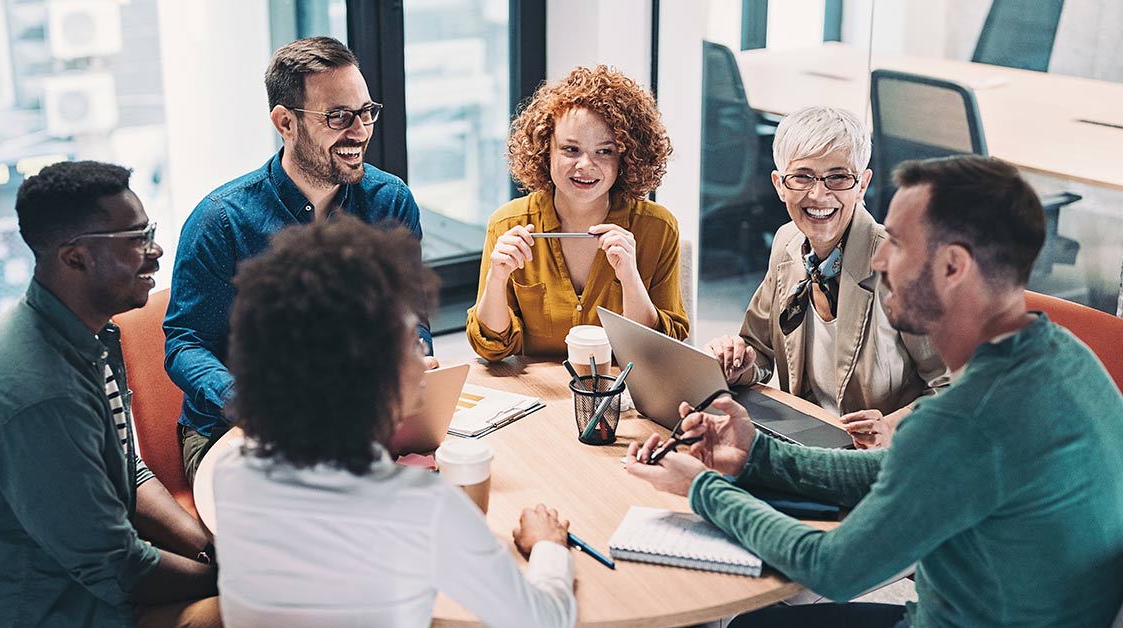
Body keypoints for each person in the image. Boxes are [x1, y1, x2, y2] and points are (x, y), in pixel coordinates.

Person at [627, 155, 1123, 627]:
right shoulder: (1065, 356)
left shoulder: (964, 419)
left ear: (953, 267)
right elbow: (902, 466)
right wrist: (756, 455)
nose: (879, 258)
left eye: (899, 243)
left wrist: (701, 487)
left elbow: (830, 568)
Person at [212, 215, 577, 627]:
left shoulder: (232, 471)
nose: (425, 358)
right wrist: (548, 547)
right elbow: (544, 620)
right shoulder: (421, 506)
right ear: (364, 368)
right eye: (409, 340)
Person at [0, 161, 221, 628]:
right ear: (75, 257)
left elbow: (126, 469)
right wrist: (231, 579)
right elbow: (119, 569)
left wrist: (207, 547)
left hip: (86, 584)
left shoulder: (82, 332)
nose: (157, 250)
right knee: (275, 609)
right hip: (46, 611)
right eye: (136, 239)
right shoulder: (38, 393)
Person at [164, 36, 435, 485]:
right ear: (285, 122)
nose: (361, 131)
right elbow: (184, 343)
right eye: (339, 117)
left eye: (366, 112)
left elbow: (412, 315)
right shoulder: (222, 221)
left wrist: (415, 354)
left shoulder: (390, 201)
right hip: (233, 430)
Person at [703, 106, 947, 449]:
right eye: (802, 176)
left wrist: (894, 428)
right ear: (779, 185)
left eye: (838, 177)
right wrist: (734, 362)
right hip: (804, 443)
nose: (819, 195)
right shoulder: (787, 243)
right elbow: (758, 351)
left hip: (880, 462)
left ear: (862, 184)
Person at [467, 65, 688, 361]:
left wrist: (629, 277)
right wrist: (497, 278)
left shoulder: (658, 228)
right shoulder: (508, 224)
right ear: (546, 150)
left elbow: (661, 351)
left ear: (626, 156)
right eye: (571, 149)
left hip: (622, 398)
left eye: (605, 151)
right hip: (539, 398)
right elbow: (492, 347)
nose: (585, 165)